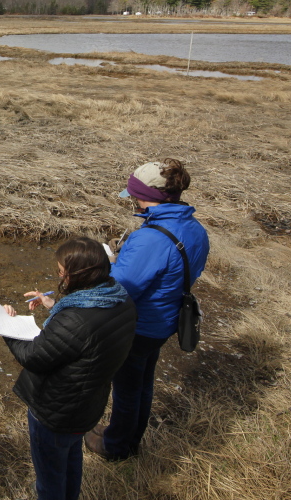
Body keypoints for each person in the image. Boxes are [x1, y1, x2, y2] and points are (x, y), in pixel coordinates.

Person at [84, 159, 210, 461]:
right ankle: (129, 437)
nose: (134, 203)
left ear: (147, 197)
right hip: (164, 320)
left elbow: (119, 289)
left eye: (135, 197)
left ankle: (116, 446)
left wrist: (111, 264)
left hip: (138, 326)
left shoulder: (151, 238)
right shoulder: (193, 227)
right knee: (142, 383)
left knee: (127, 389)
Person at [2, 238, 136, 500]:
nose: (59, 276)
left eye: (62, 271)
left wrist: (8, 328)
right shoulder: (120, 300)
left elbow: (33, 356)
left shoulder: (75, 320)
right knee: (71, 458)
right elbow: (84, 336)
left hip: (56, 412)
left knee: (49, 478)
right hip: (87, 405)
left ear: (78, 274)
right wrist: (55, 307)